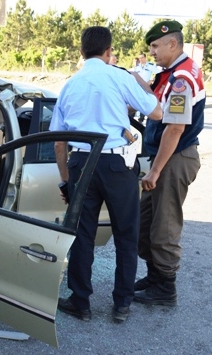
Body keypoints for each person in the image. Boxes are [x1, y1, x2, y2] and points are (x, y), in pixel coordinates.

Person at [50, 26, 162, 323]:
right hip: (116, 165)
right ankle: (122, 304)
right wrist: (140, 79)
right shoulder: (119, 76)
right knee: (126, 234)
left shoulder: (69, 85)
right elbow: (156, 113)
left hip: (81, 164)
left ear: (81, 53)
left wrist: (64, 179)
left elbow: (59, 140)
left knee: (82, 234)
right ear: (109, 51)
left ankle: (80, 302)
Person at [133, 20, 205, 307]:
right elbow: (160, 108)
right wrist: (139, 85)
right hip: (167, 157)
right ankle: (154, 276)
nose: (151, 52)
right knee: (145, 222)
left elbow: (174, 128)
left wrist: (156, 170)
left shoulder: (181, 80)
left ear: (172, 44)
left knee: (164, 225)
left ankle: (165, 287)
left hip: (174, 158)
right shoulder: (172, 73)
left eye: (155, 46)